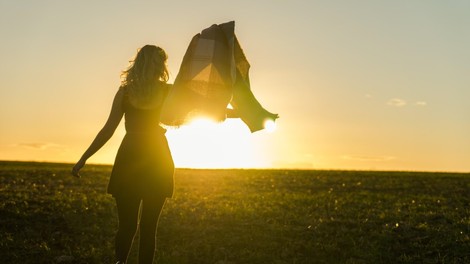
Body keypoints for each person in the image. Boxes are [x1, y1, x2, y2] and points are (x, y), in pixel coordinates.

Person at [72, 45, 175, 264]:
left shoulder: (128, 91)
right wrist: (84, 157)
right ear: (158, 64)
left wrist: (84, 158)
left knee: (130, 226)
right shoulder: (162, 91)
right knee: (145, 228)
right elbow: (108, 129)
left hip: (133, 157)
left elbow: (108, 129)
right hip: (154, 157)